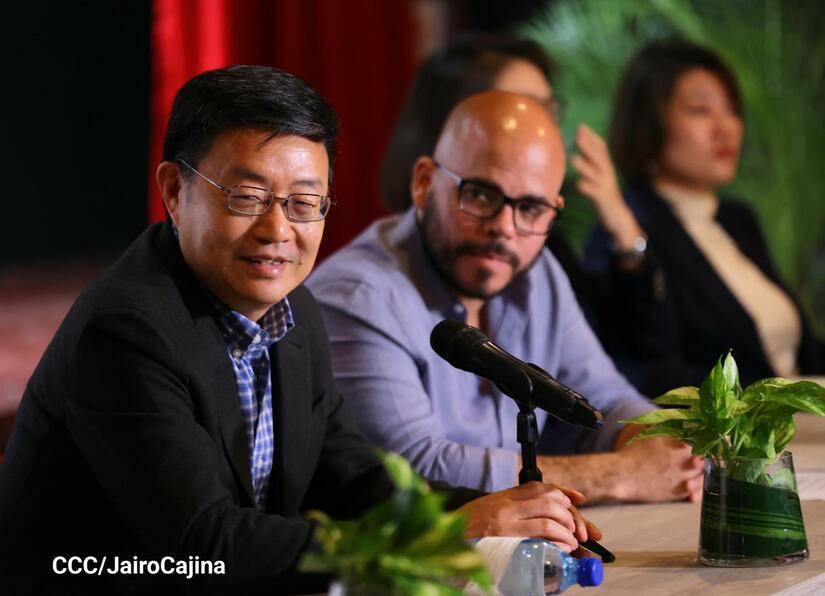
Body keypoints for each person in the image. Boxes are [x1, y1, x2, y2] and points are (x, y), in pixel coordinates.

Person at [0, 66, 599, 595]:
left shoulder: (294, 312)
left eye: (304, 202)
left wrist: (488, 511)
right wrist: (446, 535)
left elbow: (348, 480)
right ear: (175, 192)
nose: (277, 230)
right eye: (247, 196)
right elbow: (202, 547)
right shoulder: (127, 331)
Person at [307, 90, 704, 502]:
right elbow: (416, 470)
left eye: (531, 208)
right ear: (424, 183)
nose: (505, 227)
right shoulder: (358, 297)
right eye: (480, 194)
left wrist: (669, 451)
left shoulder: (537, 273)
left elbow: (608, 400)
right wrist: (617, 475)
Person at [584, 39, 825, 397]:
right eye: (700, 110)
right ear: (648, 125)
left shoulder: (737, 219)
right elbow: (650, 370)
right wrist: (630, 244)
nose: (725, 127)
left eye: (731, 109)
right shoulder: (623, 234)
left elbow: (806, 352)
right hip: (734, 427)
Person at [380, 33, 650, 324]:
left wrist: (623, 227)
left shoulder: (538, 253)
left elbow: (617, 338)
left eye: (549, 110)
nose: (505, 228)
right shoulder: (384, 289)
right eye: (523, 107)